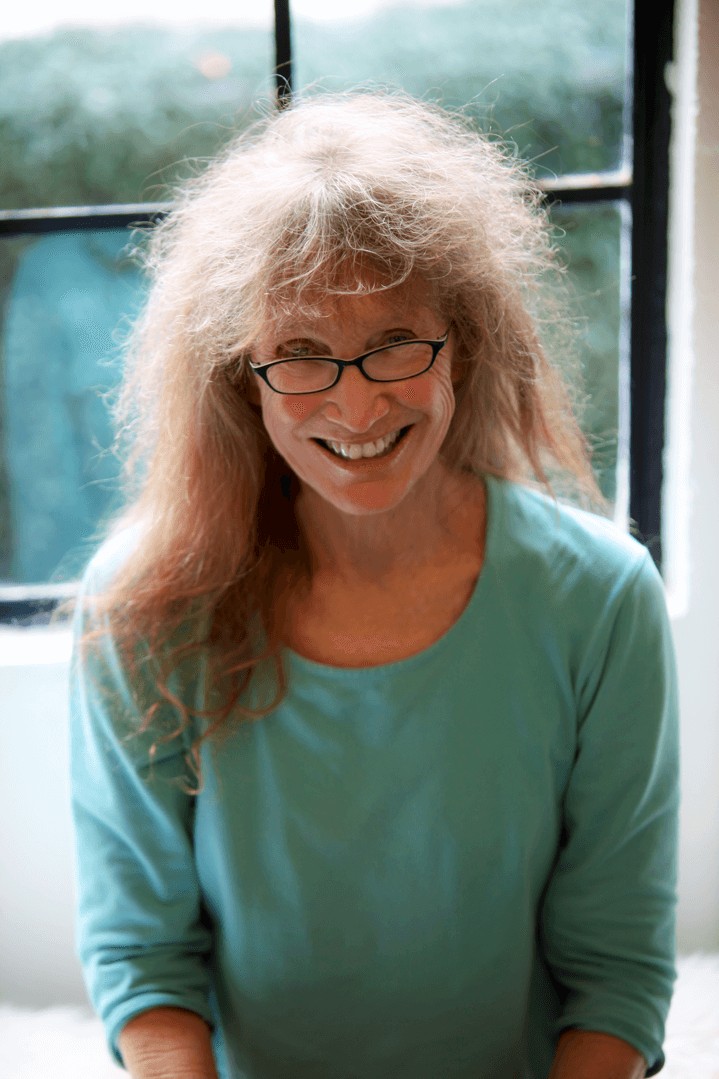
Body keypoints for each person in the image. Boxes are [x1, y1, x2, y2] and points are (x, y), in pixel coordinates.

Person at [70, 91, 679, 1079]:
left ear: (462, 343)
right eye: (301, 354)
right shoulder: (145, 605)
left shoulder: (599, 597)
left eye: (396, 340)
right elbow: (142, 957)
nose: (356, 405)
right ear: (241, 375)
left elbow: (615, 972)